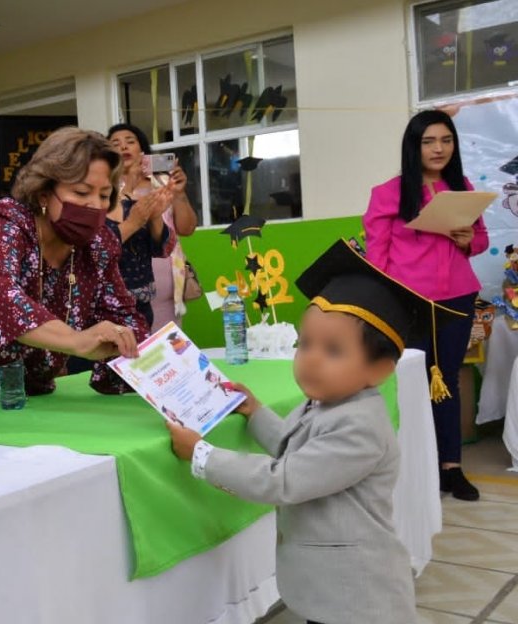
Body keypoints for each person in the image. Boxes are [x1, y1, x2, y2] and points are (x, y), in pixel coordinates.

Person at [167, 240, 455, 624]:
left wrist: (203, 455)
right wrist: (255, 413)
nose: (311, 359)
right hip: (329, 590)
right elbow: (293, 447)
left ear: (381, 370)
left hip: (358, 597)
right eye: (305, 344)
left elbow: (283, 479)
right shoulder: (329, 403)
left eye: (333, 350)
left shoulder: (360, 428)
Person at [0, 127, 144, 402]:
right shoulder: (3, 222)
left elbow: (126, 318)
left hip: (32, 385)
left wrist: (155, 361)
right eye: (81, 192)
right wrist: (78, 341)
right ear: (44, 194)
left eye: (104, 196)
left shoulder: (98, 246)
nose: (94, 205)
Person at [363, 109, 487, 501]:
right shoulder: (388, 193)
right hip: (408, 303)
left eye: (446, 140)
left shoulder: (462, 187)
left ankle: (451, 468)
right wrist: (379, 306)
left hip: (457, 299)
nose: (439, 148)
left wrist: (467, 238)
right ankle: (417, 469)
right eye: (429, 141)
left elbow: (479, 242)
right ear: (413, 147)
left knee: (446, 381)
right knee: (411, 384)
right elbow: (376, 255)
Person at [107, 123, 197, 328]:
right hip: (123, 296)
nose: (123, 147)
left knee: (167, 354)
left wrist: (180, 193)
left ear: (142, 150)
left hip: (169, 296)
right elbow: (109, 235)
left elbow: (187, 229)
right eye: (115, 144)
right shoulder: (106, 190)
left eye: (130, 142)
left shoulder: (163, 182)